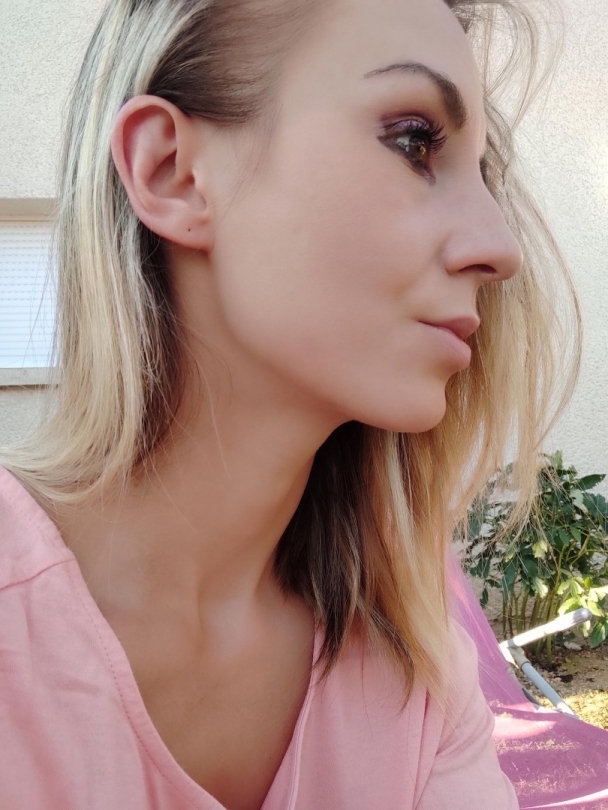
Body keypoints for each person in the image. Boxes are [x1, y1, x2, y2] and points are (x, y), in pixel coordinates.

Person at [0, 0, 580, 807]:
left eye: (483, 177)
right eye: (414, 141)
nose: (501, 249)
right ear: (172, 172)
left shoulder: (416, 674)